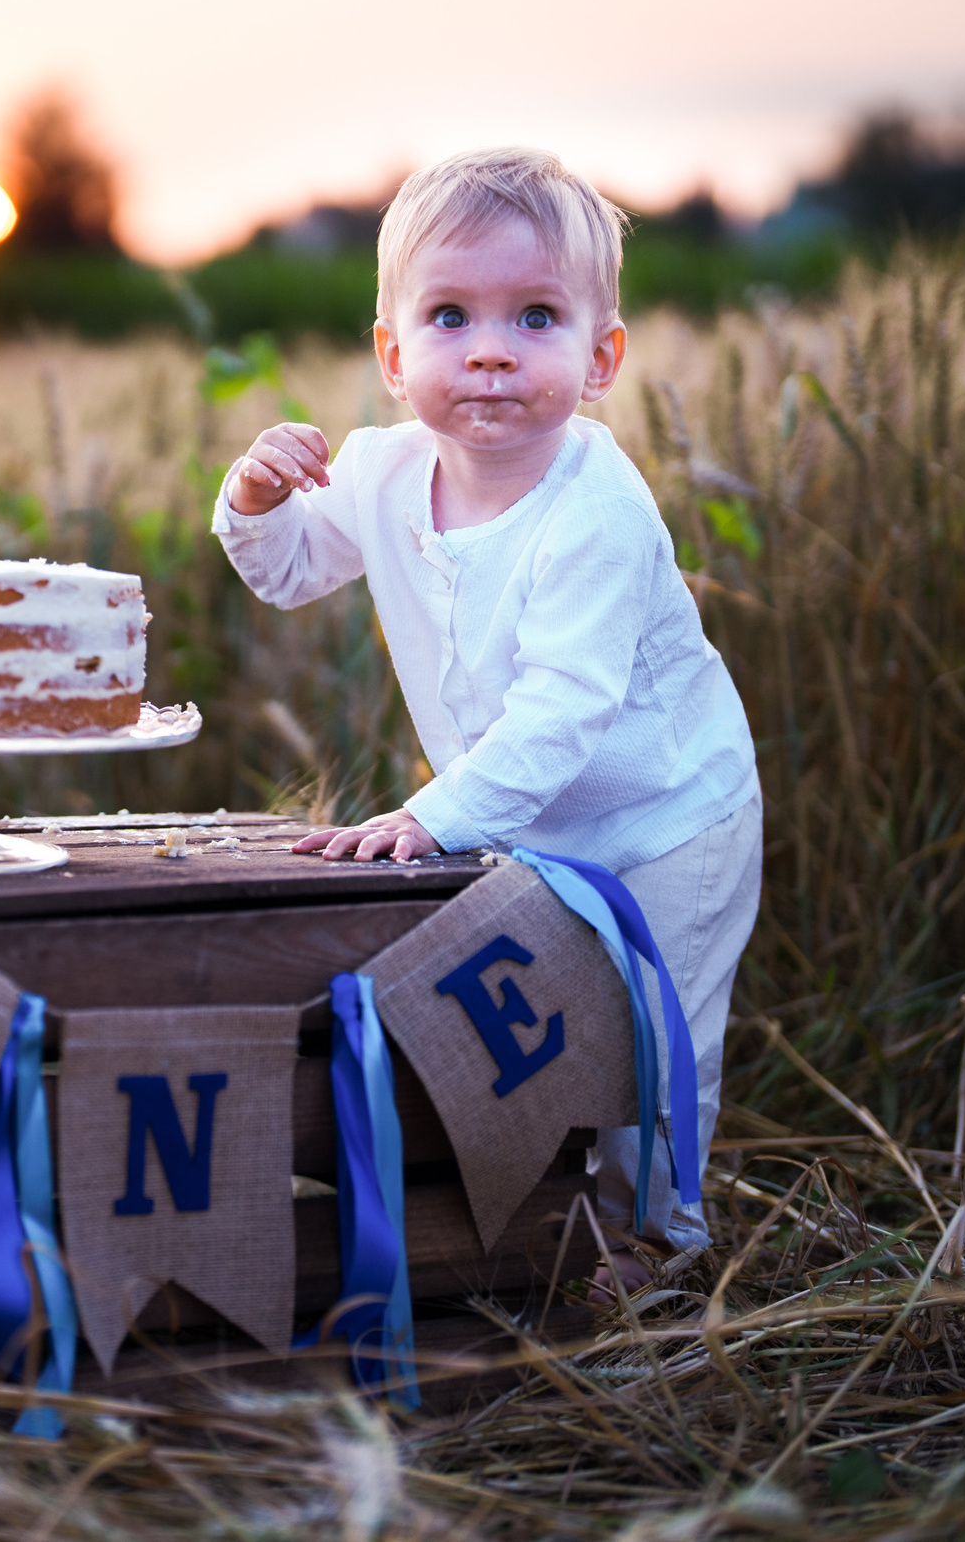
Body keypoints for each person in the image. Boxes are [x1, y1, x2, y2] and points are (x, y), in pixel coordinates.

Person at [211, 147, 761, 1258]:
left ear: (600, 357)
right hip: (522, 821)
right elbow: (285, 570)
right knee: (550, 1024)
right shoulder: (377, 471)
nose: (493, 353)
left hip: (667, 818)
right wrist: (255, 497)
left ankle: (660, 1250)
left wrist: (430, 820)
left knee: (656, 1042)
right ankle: (540, 1233)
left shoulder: (592, 511)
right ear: (392, 353)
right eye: (451, 317)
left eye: (538, 318)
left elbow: (563, 713)